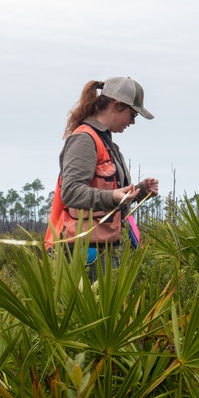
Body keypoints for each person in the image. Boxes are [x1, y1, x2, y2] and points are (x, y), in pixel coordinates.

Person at [44, 77, 159, 276]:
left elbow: (107, 193)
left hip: (103, 252)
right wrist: (112, 196)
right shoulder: (84, 139)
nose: (132, 122)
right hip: (82, 253)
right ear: (117, 106)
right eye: (132, 115)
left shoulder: (108, 144)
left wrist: (140, 190)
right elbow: (71, 192)